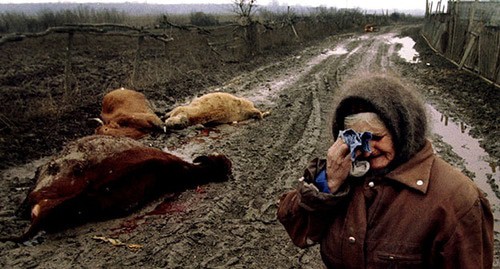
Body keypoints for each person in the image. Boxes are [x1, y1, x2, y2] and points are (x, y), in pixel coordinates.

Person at [277, 74, 494, 268]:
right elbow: (298, 227)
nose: (368, 150)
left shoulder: (458, 200)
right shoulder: (346, 176)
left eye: (377, 137)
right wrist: (328, 184)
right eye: (358, 140)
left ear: (402, 130)